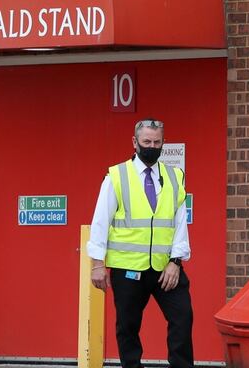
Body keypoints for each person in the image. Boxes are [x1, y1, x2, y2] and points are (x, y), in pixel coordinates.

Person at [88, 118, 193, 368]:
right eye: (147, 142)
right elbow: (100, 221)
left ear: (163, 143)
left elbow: (180, 222)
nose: (152, 147)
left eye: (157, 142)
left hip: (165, 267)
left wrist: (175, 261)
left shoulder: (174, 176)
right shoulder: (116, 176)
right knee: (128, 326)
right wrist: (97, 264)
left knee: (182, 317)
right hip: (128, 268)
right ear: (135, 142)